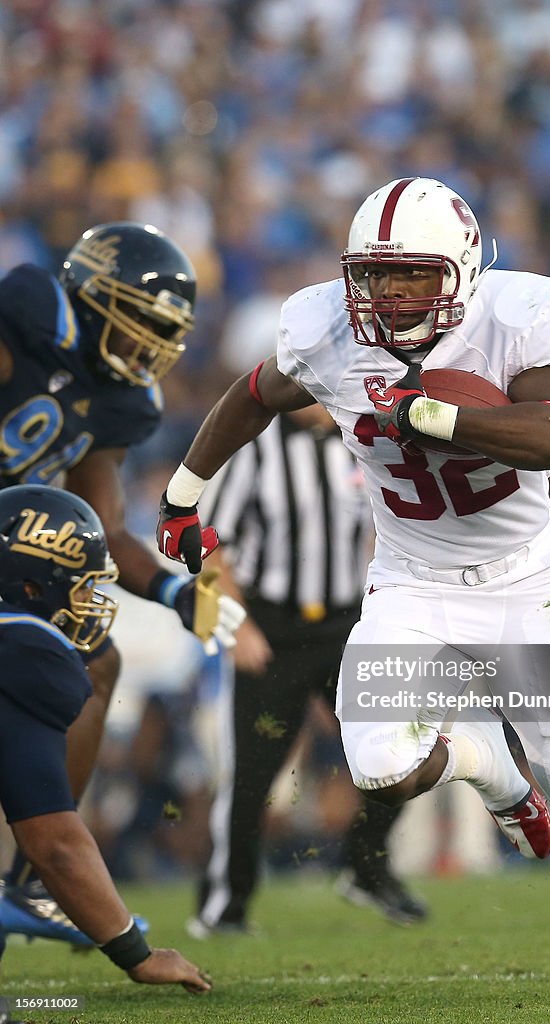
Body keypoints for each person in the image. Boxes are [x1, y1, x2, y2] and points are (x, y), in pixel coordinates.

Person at [156, 177, 550, 1003]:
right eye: (376, 276)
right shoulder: (328, 331)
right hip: (409, 584)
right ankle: (484, 763)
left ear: (464, 269)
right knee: (377, 770)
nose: (392, 297)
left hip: (526, 582)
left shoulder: (515, 318)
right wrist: (182, 495)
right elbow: (255, 395)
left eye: (414, 276)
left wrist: (434, 417)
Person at [0, 221, 245, 943]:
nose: (151, 347)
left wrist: (175, 594)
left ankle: (34, 883)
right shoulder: (25, 325)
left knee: (94, 661)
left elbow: (101, 528)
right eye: (141, 322)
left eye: (164, 331)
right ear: (91, 294)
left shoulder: (117, 403)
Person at [188, 403, 427, 936]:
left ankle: (366, 868)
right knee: (252, 776)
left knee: (402, 745)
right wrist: (234, 628)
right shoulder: (253, 448)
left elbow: (388, 530)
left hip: (346, 625)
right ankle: (224, 905)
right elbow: (205, 548)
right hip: (271, 631)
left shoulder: (361, 441)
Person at [0, 484, 211, 995]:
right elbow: (56, 845)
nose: (90, 604)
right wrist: (136, 956)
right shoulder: (25, 649)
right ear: (30, 588)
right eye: (79, 586)